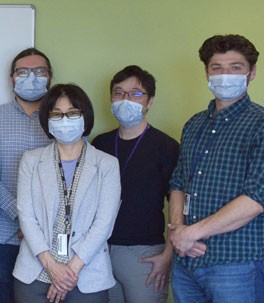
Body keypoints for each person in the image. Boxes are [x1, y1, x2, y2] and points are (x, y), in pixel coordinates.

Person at [168, 34, 264, 303]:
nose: (225, 75)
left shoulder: (260, 124)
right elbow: (178, 183)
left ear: (252, 72)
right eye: (217, 68)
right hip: (186, 261)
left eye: (236, 68)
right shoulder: (194, 124)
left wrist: (191, 233)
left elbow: (257, 198)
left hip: (237, 263)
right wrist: (177, 229)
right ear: (207, 73)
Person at [14, 84, 120, 303]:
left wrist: (69, 271)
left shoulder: (107, 164)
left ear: (85, 117)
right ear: (47, 120)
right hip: (34, 272)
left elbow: (104, 223)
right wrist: (52, 267)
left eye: (72, 113)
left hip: (87, 273)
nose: (64, 120)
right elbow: (26, 216)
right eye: (57, 114)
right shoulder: (31, 161)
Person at [91, 66, 179, 303]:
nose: (126, 99)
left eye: (135, 93)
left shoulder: (166, 146)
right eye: (119, 93)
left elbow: (177, 205)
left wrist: (167, 255)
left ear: (149, 101)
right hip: (100, 251)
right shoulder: (100, 143)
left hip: (145, 252)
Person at [0, 47, 56, 303]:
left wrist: (38, 223)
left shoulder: (64, 118)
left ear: (50, 77)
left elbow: (73, 174)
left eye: (39, 71)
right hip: (3, 231)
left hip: (52, 232)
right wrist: (22, 217)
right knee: (5, 296)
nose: (31, 77)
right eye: (23, 72)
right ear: (12, 78)